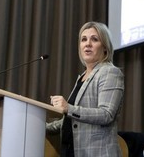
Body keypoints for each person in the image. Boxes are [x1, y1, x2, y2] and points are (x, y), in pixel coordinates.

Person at [46, 21, 124, 157]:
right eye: (84, 39)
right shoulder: (82, 77)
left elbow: (107, 114)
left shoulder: (110, 72)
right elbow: (72, 120)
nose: (87, 44)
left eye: (94, 39)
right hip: (71, 151)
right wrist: (41, 127)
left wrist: (68, 108)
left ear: (105, 47)